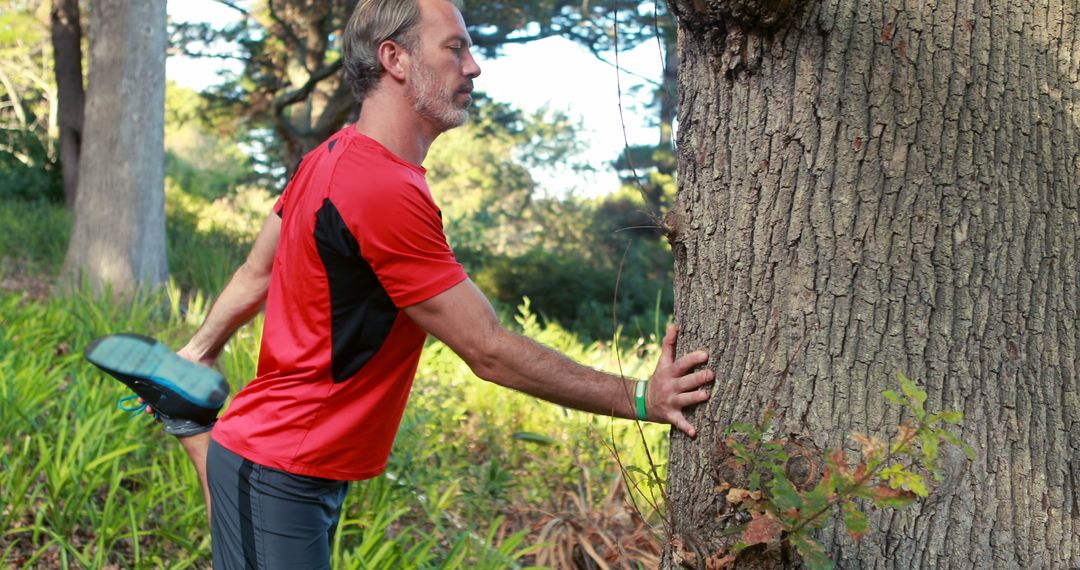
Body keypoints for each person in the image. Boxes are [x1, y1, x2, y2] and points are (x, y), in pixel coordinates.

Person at [123, 0, 714, 567]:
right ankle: (197, 426)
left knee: (240, 521)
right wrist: (641, 396)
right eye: (455, 48)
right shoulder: (383, 189)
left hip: (288, 461)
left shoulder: (326, 159)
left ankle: (193, 424)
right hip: (281, 465)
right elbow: (485, 348)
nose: (474, 66)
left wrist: (200, 349)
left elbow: (257, 272)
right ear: (394, 59)